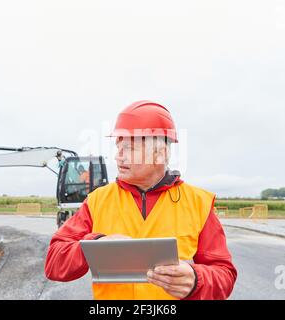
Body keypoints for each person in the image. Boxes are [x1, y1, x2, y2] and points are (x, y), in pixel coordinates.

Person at [45, 100, 237, 300]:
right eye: (118, 146)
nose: (118, 157)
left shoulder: (198, 203)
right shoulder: (98, 201)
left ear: (160, 154)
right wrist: (94, 246)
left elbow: (224, 275)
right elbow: (54, 264)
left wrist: (197, 280)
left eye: (128, 148)